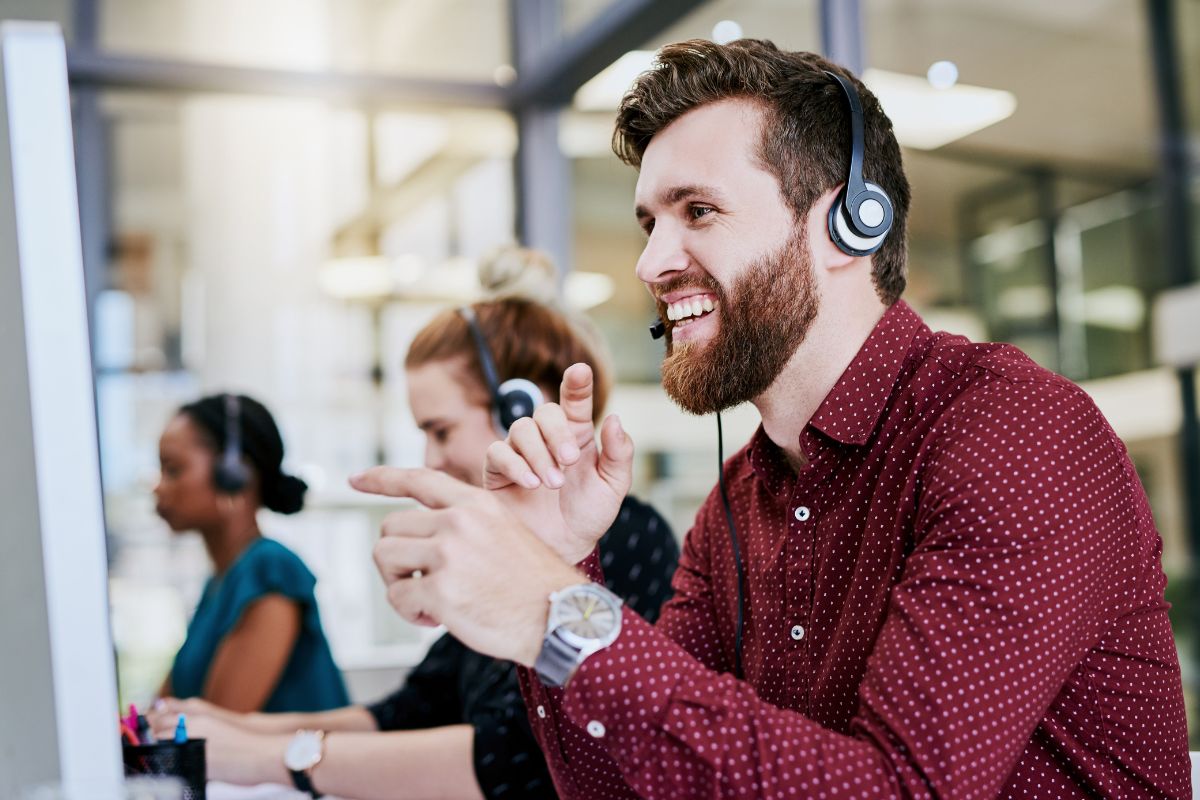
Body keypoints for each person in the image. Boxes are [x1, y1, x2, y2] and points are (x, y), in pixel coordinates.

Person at [353, 39, 1192, 799]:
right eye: (649, 222)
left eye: (698, 211)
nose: (650, 262)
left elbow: (898, 792)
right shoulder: (739, 501)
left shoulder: (1014, 434)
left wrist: (557, 610)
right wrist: (564, 565)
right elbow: (626, 791)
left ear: (845, 223)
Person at [152, 274, 680, 800]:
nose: (431, 459)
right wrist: (225, 730)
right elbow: (410, 712)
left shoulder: (623, 539)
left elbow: (514, 760)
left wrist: (265, 758)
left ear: (519, 412)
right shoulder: (506, 552)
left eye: (441, 430)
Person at [154, 393, 348, 713]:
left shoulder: (269, 570)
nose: (159, 487)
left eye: (173, 470)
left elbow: (216, 727)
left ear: (234, 474)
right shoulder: (220, 581)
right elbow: (162, 711)